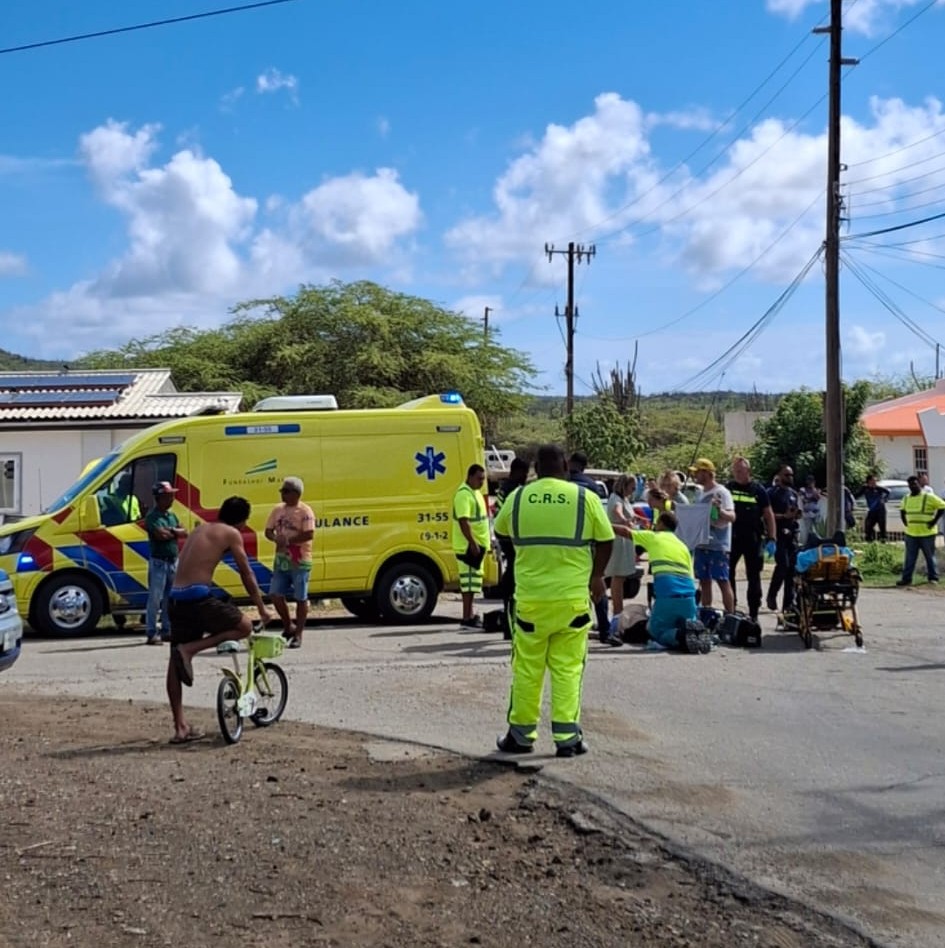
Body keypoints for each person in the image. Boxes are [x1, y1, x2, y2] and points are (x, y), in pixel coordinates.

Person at [492, 444, 614, 758]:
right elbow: (606, 540)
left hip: (531, 600)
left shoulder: (519, 497)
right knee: (568, 669)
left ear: (536, 468)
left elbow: (501, 530)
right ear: (565, 466)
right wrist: (597, 576)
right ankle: (568, 739)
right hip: (572, 600)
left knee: (527, 669)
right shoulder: (585, 498)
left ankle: (520, 736)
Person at [165, 496, 274, 744]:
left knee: (174, 661)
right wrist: (262, 608)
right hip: (197, 597)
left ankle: (180, 727)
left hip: (175, 598)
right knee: (244, 627)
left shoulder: (200, 529)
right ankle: (190, 649)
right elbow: (246, 573)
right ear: (242, 521)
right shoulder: (231, 533)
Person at [628, 511, 705, 651]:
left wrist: (606, 525)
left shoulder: (653, 537)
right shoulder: (683, 546)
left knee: (656, 631)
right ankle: (693, 632)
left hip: (667, 596)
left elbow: (626, 532)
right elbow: (691, 576)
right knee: (686, 622)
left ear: (662, 524)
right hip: (689, 597)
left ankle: (680, 635)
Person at [263, 477, 315, 648]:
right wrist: (275, 538)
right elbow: (268, 531)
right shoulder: (277, 510)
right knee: (275, 594)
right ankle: (288, 626)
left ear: (296, 494)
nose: (282, 495)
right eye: (282, 491)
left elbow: (309, 534)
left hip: (300, 560)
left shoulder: (305, 511)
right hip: (281, 560)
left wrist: (289, 540)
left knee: (300, 597)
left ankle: (298, 634)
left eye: (286, 491)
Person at [726, 457, 776, 622]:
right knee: (728, 574)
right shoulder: (728, 488)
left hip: (753, 538)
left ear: (748, 471)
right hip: (732, 538)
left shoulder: (758, 490)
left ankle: (753, 612)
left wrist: (772, 537)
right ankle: (731, 608)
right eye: (736, 471)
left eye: (741, 471)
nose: (738, 474)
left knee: (753, 576)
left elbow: (768, 515)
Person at [688, 458, 735, 613]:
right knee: (704, 581)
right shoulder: (700, 493)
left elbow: (732, 517)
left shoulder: (722, 492)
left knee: (722, 581)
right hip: (702, 544)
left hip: (718, 545)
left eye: (697, 472)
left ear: (706, 473)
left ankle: (731, 615)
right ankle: (706, 613)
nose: (695, 476)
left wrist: (720, 510)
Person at [144, 481, 187, 645]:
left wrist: (173, 531)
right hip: (159, 563)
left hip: (173, 561)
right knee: (155, 599)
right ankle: (151, 632)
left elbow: (184, 532)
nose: (172, 499)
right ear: (159, 498)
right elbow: (160, 535)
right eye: (168, 496)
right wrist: (175, 532)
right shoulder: (152, 517)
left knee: (170, 598)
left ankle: (166, 630)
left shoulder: (172, 515)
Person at [452, 464, 491, 629]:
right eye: (479, 479)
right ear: (470, 477)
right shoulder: (464, 495)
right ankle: (466, 618)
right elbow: (464, 521)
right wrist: (473, 543)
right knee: (468, 584)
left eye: (483, 479)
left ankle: (470, 615)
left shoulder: (475, 493)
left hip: (477, 546)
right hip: (467, 547)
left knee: (473, 583)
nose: (481, 482)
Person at [494, 457, 530, 636]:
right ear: (518, 471)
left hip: (505, 537)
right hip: (513, 539)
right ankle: (512, 624)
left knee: (511, 575)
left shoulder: (503, 488)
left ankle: (509, 623)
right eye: (525, 473)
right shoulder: (514, 490)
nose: (526, 476)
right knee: (515, 578)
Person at [896, 475, 945, 586]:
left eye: (915, 484)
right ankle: (906, 579)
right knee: (909, 558)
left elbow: (942, 506)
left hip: (927, 533)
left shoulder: (928, 497)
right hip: (911, 533)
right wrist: (905, 521)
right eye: (910, 485)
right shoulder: (906, 498)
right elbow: (902, 510)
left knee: (930, 556)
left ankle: (933, 578)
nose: (913, 486)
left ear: (919, 484)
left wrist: (934, 521)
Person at [604, 475, 638, 629]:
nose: (633, 490)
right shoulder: (616, 498)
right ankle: (617, 611)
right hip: (619, 540)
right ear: (624, 485)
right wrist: (624, 521)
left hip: (625, 540)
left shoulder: (625, 499)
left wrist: (638, 519)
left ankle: (618, 610)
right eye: (632, 487)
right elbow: (617, 511)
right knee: (618, 576)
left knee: (621, 577)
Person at [766, 465, 800, 614]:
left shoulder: (793, 494)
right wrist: (783, 516)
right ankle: (772, 595)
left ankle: (788, 604)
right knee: (782, 565)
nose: (790, 478)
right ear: (779, 476)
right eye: (786, 475)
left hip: (791, 534)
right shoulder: (772, 493)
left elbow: (793, 511)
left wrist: (795, 515)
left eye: (791, 475)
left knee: (792, 569)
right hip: (777, 534)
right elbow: (767, 514)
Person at [856, 474, 889, 542]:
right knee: (868, 526)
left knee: (882, 527)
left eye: (875, 481)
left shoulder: (878, 488)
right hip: (872, 511)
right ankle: (870, 541)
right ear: (868, 482)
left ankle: (883, 540)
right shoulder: (865, 488)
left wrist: (884, 499)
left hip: (880, 511)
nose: (874, 483)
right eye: (872, 481)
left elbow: (888, 492)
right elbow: (856, 495)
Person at [798, 475, 821, 547]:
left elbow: (818, 498)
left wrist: (814, 492)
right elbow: (804, 499)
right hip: (807, 513)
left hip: (816, 512)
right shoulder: (803, 490)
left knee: (817, 529)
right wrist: (812, 497)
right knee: (808, 530)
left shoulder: (816, 490)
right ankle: (808, 544)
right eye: (809, 481)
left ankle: (817, 544)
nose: (810, 483)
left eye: (811, 481)